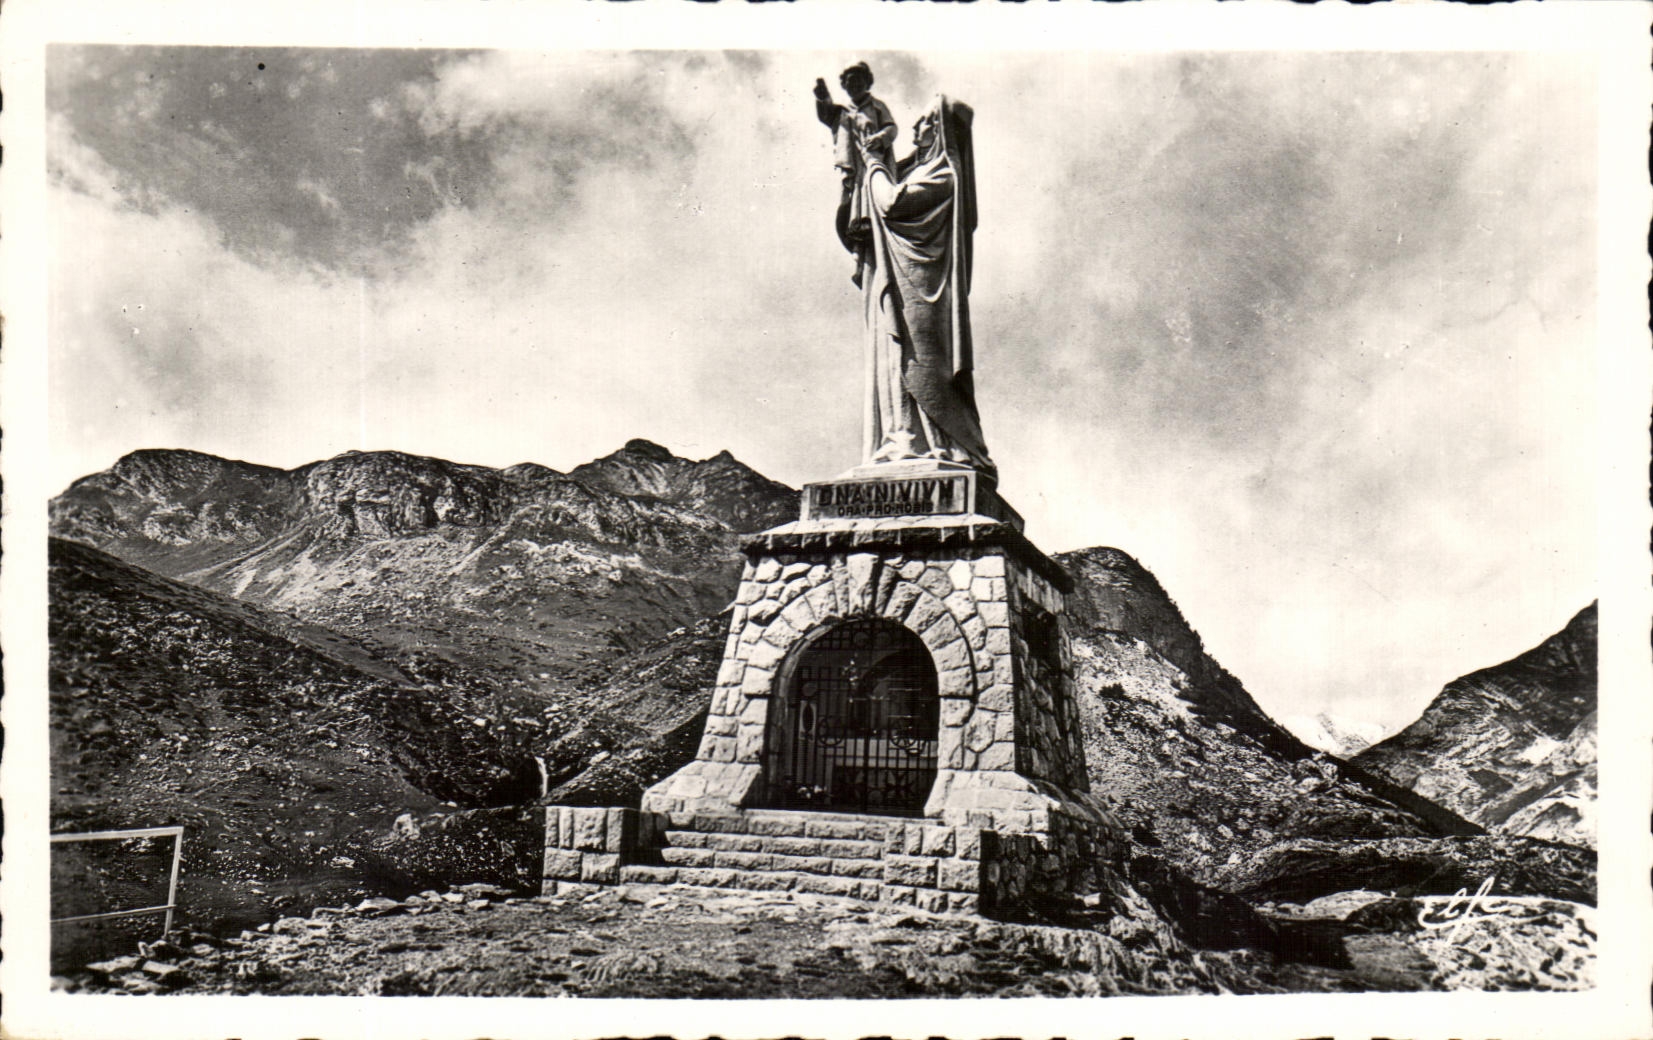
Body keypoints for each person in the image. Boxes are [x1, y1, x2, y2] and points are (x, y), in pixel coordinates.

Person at [854, 96, 994, 478]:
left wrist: (874, 165)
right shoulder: (920, 172)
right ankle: (904, 440)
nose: (915, 129)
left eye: (924, 122)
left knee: (924, 365)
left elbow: (892, 202)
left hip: (924, 292)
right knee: (896, 358)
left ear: (942, 132)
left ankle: (947, 446)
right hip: (902, 286)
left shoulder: (943, 176)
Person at [813, 62, 897, 282]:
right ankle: (860, 263)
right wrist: (822, 97)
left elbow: (891, 128)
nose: (855, 85)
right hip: (856, 173)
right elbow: (826, 113)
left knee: (876, 209)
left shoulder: (877, 106)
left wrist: (879, 137)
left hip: (875, 166)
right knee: (856, 215)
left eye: (858, 80)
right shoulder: (843, 112)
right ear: (845, 86)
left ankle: (884, 258)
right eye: (850, 82)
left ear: (866, 82)